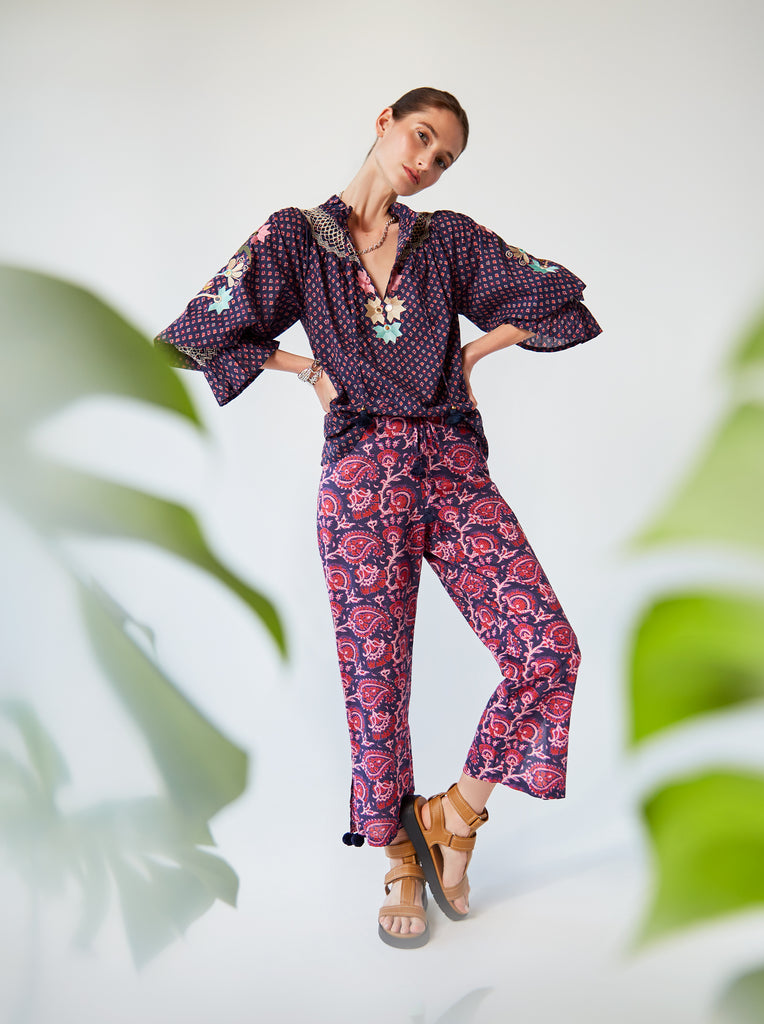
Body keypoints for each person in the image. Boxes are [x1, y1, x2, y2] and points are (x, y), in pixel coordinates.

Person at [154, 86, 602, 949]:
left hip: (451, 465)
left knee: (547, 648)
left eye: (442, 158)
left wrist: (472, 351)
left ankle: (454, 816)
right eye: (420, 137)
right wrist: (308, 370)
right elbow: (198, 331)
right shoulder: (295, 238)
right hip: (361, 475)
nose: (425, 163)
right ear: (383, 123)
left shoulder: (448, 240)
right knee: (375, 680)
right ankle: (399, 858)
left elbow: (559, 299)